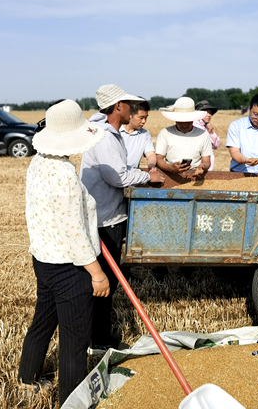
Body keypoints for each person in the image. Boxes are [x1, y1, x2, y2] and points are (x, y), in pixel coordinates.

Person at [18, 99, 109, 405]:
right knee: (75, 339)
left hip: (43, 259)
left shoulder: (38, 161)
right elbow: (74, 233)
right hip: (70, 267)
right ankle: (72, 400)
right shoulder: (64, 174)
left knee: (43, 320)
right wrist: (97, 274)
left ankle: (27, 380)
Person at [80, 84, 165, 350]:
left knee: (107, 283)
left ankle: (96, 336)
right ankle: (98, 341)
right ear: (119, 107)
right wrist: (148, 177)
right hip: (104, 219)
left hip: (106, 214)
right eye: (129, 104)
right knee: (104, 283)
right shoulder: (104, 136)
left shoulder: (106, 131)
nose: (133, 110)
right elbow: (117, 177)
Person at [155, 97, 213, 178]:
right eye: (181, 121)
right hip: (170, 175)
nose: (185, 125)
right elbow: (158, 159)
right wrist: (171, 168)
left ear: (193, 119)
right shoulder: (165, 133)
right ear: (175, 119)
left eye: (188, 121)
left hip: (195, 175)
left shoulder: (203, 134)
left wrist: (202, 167)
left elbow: (206, 160)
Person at [120, 99, 157, 171]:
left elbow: (150, 154)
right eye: (141, 118)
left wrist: (151, 165)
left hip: (134, 176)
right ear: (130, 115)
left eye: (146, 117)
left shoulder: (145, 134)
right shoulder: (115, 131)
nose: (144, 121)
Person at [193, 100, 220, 171]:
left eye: (210, 113)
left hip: (206, 168)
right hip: (198, 168)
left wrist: (211, 132)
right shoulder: (194, 126)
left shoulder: (206, 127)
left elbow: (216, 146)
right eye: (206, 113)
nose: (209, 115)